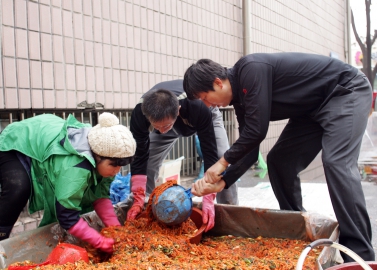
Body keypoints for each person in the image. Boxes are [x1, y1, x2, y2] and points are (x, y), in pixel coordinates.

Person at [182, 53, 375, 263]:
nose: (208, 105)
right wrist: (222, 183)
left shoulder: (251, 69)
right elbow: (251, 150)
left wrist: (222, 162)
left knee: (337, 162)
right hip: (310, 109)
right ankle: (299, 231)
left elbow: (257, 131)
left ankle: (359, 256)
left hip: (344, 91)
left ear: (218, 83)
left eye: (204, 98)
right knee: (279, 161)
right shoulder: (240, 101)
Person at [0, 112, 136, 254]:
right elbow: (66, 216)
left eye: (122, 166)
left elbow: (100, 196)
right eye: (114, 165)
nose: (117, 171)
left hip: (46, 132)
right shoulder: (74, 167)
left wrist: (115, 230)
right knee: (18, 188)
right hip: (18, 142)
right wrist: (99, 241)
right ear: (97, 156)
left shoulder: (107, 158)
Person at [127, 79, 239, 231]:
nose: (161, 131)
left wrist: (208, 197)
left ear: (178, 110)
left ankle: (228, 213)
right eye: (156, 126)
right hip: (170, 121)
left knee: (222, 158)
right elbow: (139, 154)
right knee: (148, 162)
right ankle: (145, 209)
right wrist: (137, 197)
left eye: (164, 126)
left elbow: (209, 151)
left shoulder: (197, 106)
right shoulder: (140, 113)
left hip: (205, 115)